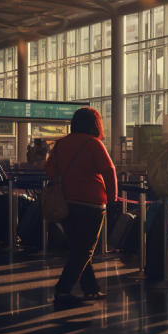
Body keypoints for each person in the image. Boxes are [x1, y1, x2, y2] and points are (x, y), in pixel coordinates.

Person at [46, 108, 118, 308]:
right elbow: (109, 170)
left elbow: (49, 169)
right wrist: (112, 197)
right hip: (91, 203)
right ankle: (63, 289)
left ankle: (90, 288)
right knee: (84, 250)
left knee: (79, 248)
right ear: (96, 123)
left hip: (66, 203)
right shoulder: (93, 143)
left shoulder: (61, 144)